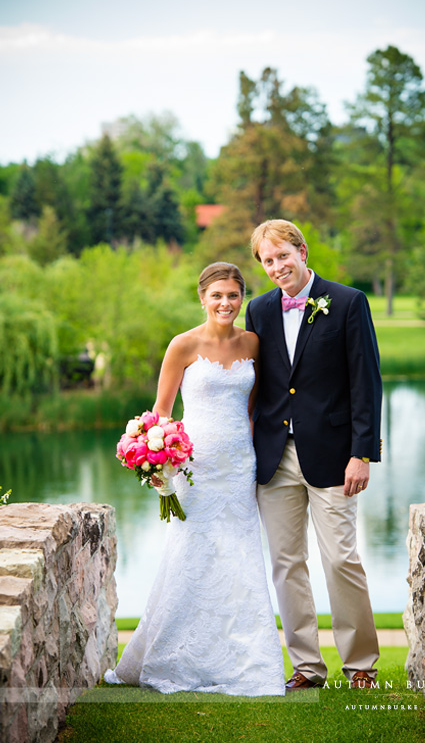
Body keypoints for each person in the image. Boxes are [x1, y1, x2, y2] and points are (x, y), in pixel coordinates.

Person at [105, 262, 285, 696]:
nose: (226, 303)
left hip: (240, 465)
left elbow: (252, 409)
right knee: (190, 555)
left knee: (240, 558)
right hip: (193, 467)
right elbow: (161, 414)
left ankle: (249, 662)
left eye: (234, 295)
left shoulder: (255, 344)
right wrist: (159, 464)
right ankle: (174, 655)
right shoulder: (182, 345)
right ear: (202, 297)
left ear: (243, 299)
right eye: (218, 295)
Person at [245, 220, 382, 691]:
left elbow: (366, 384)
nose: (278, 266)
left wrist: (362, 453)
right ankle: (306, 667)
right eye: (268, 260)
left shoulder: (347, 302)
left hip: (333, 455)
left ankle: (360, 663)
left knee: (341, 557)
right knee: (286, 562)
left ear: (302, 250)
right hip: (273, 455)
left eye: (284, 255)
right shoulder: (258, 310)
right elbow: (259, 383)